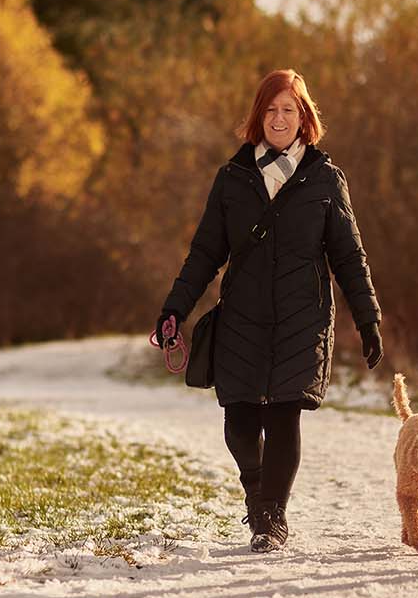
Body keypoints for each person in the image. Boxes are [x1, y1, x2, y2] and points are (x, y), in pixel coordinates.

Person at [157, 69, 383, 553]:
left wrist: (368, 318)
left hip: (303, 316)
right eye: (271, 109)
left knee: (284, 415)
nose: (279, 118)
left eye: (289, 110)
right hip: (242, 314)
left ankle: (271, 519)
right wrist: (174, 309)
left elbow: (348, 256)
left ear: (305, 119)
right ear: (257, 116)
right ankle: (258, 494)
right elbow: (204, 254)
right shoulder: (233, 178)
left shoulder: (325, 178)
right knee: (238, 416)